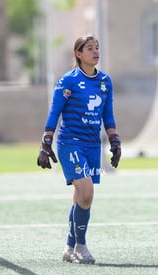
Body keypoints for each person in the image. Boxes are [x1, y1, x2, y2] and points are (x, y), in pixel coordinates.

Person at [37, 34, 122, 264]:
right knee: (86, 193)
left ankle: (69, 247)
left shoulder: (105, 81)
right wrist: (46, 142)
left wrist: (115, 140)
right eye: (90, 48)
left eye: (97, 48)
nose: (96, 52)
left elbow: (108, 114)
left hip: (92, 145)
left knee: (80, 197)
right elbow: (55, 112)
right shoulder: (69, 81)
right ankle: (81, 247)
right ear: (78, 53)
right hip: (70, 142)